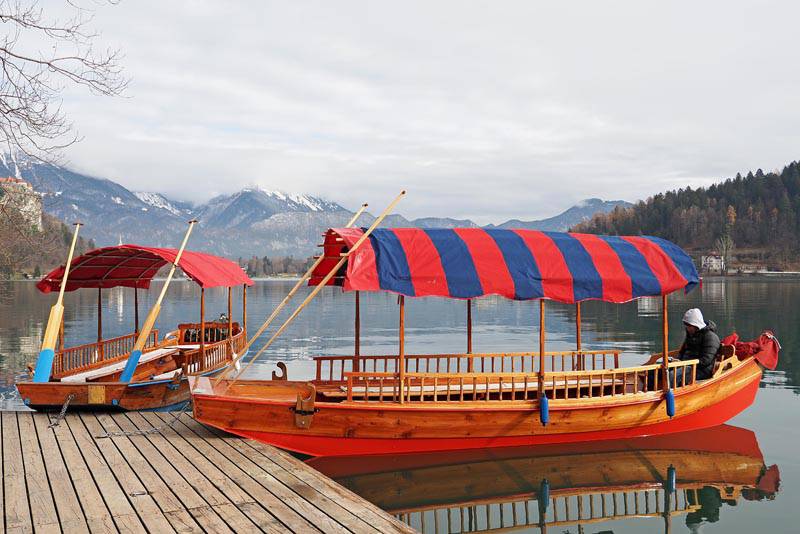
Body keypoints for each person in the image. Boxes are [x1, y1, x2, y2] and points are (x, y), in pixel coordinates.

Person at [678, 308, 720, 381]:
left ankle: (670, 392)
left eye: (688, 325)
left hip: (702, 370)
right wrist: (677, 360)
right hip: (685, 365)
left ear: (696, 325)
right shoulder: (690, 335)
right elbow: (682, 352)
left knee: (673, 376)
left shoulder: (710, 337)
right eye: (686, 324)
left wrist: (684, 363)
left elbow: (706, 361)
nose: (686, 327)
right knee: (659, 370)